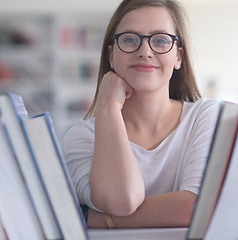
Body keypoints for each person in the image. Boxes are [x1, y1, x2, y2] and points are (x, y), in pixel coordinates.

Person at [63, 0, 220, 229]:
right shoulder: (81, 137)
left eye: (160, 40)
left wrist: (91, 219)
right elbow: (121, 201)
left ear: (178, 57)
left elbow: (196, 208)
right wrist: (108, 106)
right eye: (129, 39)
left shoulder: (205, 117)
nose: (145, 51)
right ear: (111, 55)